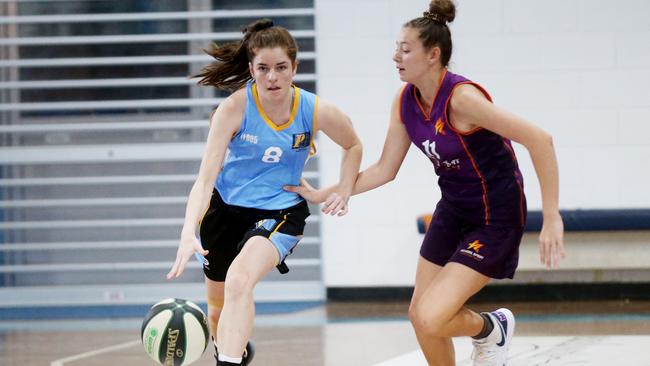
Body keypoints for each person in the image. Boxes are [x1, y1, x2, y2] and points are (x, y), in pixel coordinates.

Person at [285, 1, 565, 365]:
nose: (395, 56)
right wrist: (334, 191)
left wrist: (552, 216)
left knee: (434, 315)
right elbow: (386, 168)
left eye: (405, 49)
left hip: (496, 215)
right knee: (420, 317)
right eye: (396, 48)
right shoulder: (405, 100)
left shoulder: (463, 99)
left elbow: (540, 140)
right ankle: (487, 333)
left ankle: (491, 329)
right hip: (453, 210)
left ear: (433, 55)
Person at [166, 19, 362, 366]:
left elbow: (353, 144)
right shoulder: (234, 108)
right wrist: (186, 231)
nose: (272, 77)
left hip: (280, 212)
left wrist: (343, 188)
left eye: (281, 68)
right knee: (217, 312)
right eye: (263, 68)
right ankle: (234, 352)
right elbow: (205, 178)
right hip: (225, 210)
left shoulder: (315, 109)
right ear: (251, 69)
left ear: (294, 68)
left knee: (240, 280)